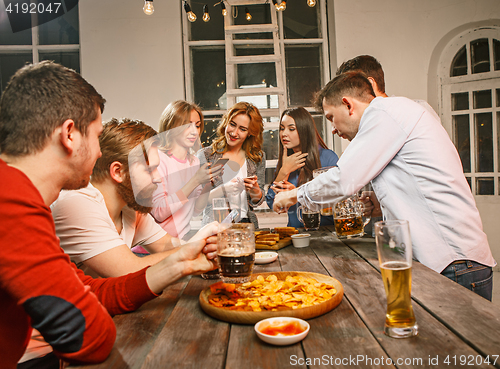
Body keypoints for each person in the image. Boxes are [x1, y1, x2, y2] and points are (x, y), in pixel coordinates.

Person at [0, 61, 217, 369]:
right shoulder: (10, 198)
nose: (100, 151)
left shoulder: (20, 197)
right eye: (96, 135)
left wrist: (181, 261)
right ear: (70, 135)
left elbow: (91, 292)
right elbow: (88, 334)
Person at [273, 72, 496, 300]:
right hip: (452, 261)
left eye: (331, 117)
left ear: (348, 105)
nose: (332, 128)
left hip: (455, 262)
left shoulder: (383, 113)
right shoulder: (397, 113)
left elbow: (344, 178)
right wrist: (382, 203)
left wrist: (293, 196)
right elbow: (419, 180)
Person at [51, 117, 218, 278]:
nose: (158, 178)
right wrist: (194, 246)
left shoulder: (131, 207)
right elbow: (128, 269)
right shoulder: (76, 203)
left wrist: (205, 243)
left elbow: (166, 245)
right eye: (149, 169)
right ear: (118, 172)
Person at [148, 101, 222, 240]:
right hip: (156, 245)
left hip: (182, 238)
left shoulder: (193, 161)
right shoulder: (158, 159)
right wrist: (195, 180)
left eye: (198, 125)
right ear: (171, 126)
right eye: (187, 125)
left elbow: (196, 210)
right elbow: (159, 213)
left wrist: (207, 183)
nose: (194, 131)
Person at [265, 107, 338, 228]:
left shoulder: (327, 158)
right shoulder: (285, 162)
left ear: (305, 130)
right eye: (282, 128)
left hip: (325, 233)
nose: (284, 133)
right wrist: (284, 170)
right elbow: (271, 202)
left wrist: (297, 193)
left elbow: (335, 201)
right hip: (296, 234)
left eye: (291, 129)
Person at [197, 102, 266, 228]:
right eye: (232, 125)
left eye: (242, 129)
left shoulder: (257, 157)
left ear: (250, 132)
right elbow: (197, 203)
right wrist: (223, 190)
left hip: (246, 226)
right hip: (215, 226)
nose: (234, 133)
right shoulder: (207, 155)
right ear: (226, 122)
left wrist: (255, 189)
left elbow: (257, 201)